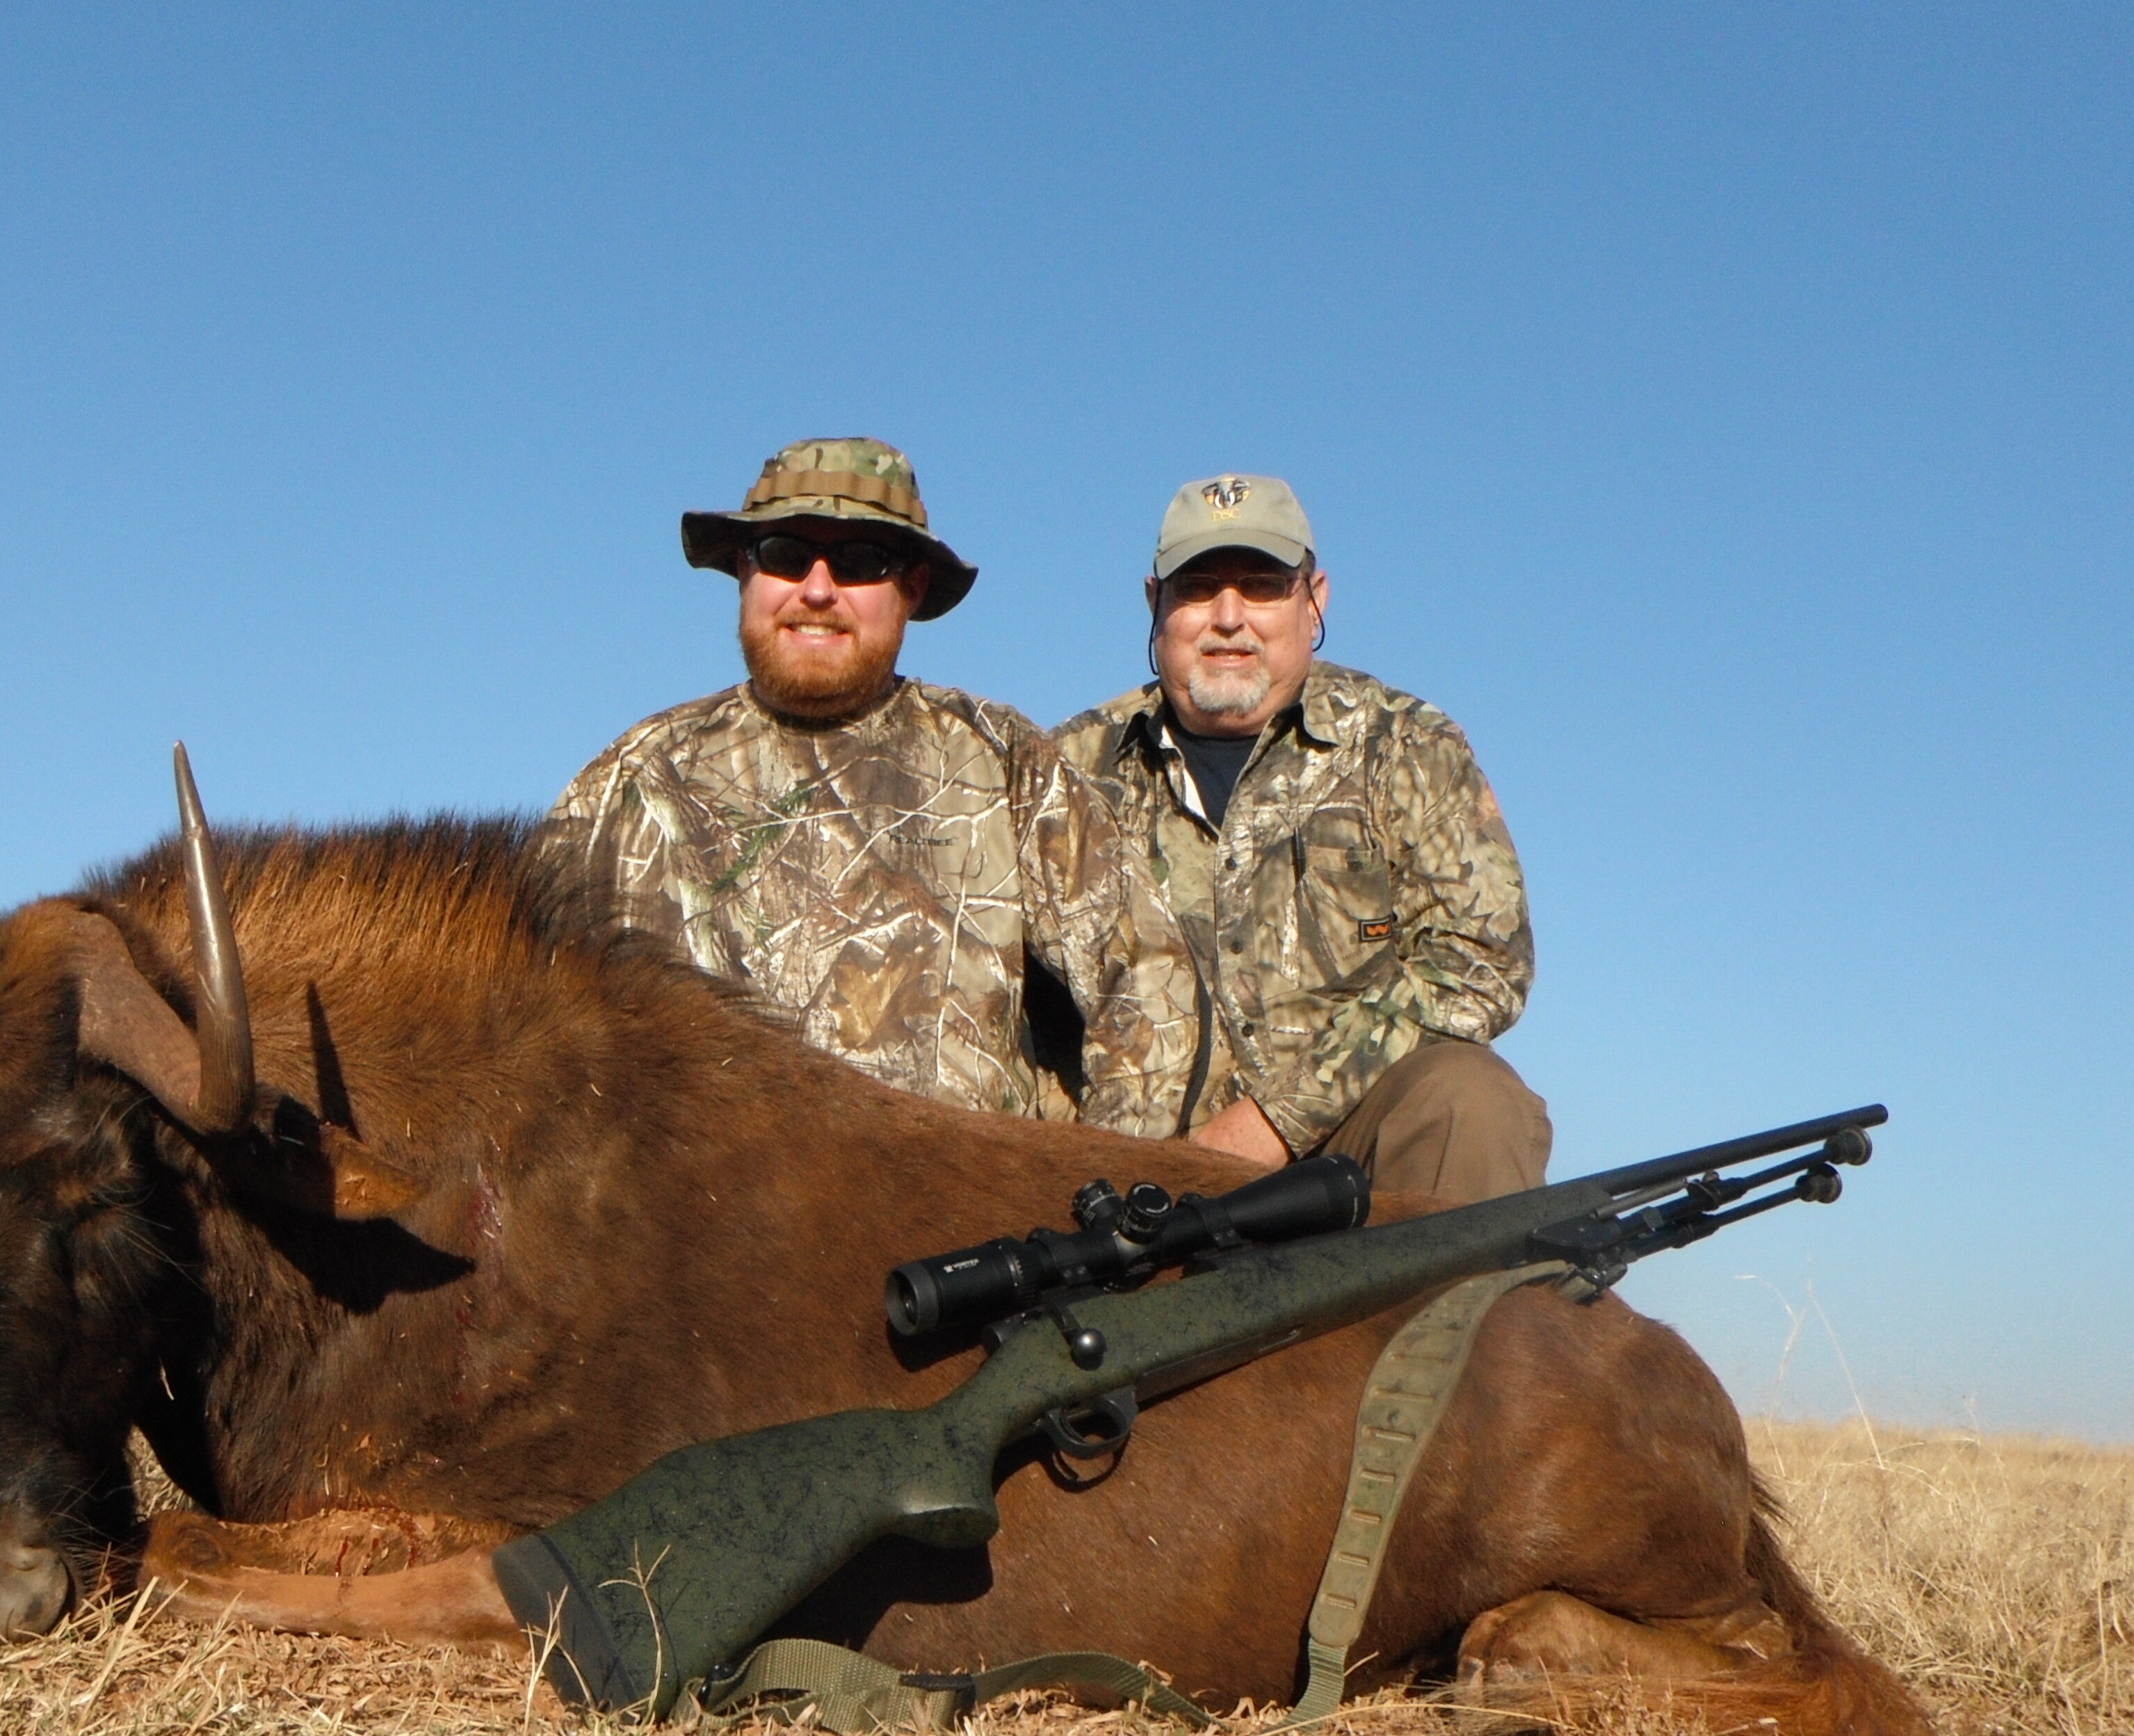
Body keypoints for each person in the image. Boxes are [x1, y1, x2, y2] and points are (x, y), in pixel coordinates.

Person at [549, 437, 1206, 1138]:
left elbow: (1146, 976)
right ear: (745, 570)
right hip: (704, 1234)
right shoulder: (635, 780)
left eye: (861, 562)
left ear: (912, 588)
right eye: (785, 556)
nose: (819, 589)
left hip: (964, 1227)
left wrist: (1099, 1198)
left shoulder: (1003, 759)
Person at [1052, 473, 1549, 1202]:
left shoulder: (1408, 746)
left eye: (1260, 585)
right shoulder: (1063, 772)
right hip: (1127, 1178)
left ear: (1313, 598)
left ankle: (1454, 1315)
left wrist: (1274, 1125)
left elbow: (1483, 961)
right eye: (1197, 588)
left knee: (1470, 1099)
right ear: (1155, 603)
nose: (1228, 617)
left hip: (1341, 1150)